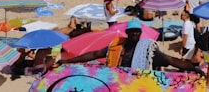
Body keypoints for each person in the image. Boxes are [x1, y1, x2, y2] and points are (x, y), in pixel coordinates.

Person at [59, 19, 201, 72]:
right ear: (127, 32)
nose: (134, 34)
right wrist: (67, 61)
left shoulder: (147, 50)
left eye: (137, 32)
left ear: (140, 33)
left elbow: (171, 60)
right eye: (132, 32)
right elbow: (95, 54)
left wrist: (193, 68)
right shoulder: (117, 45)